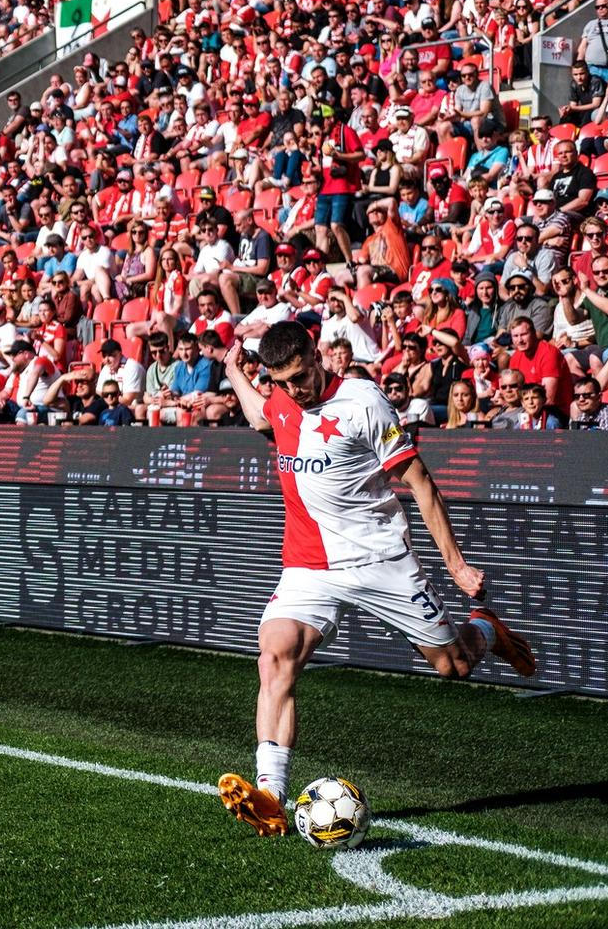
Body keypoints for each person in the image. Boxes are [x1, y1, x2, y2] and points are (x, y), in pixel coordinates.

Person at [216, 321, 535, 838]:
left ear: (317, 356)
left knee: (453, 667)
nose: (293, 390)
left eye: (299, 377)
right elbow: (261, 415)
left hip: (379, 559)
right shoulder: (278, 397)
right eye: (282, 382)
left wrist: (456, 565)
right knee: (273, 657)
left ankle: (485, 630)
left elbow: (421, 484)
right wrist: (234, 371)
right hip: (308, 565)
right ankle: (271, 793)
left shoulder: (364, 402)